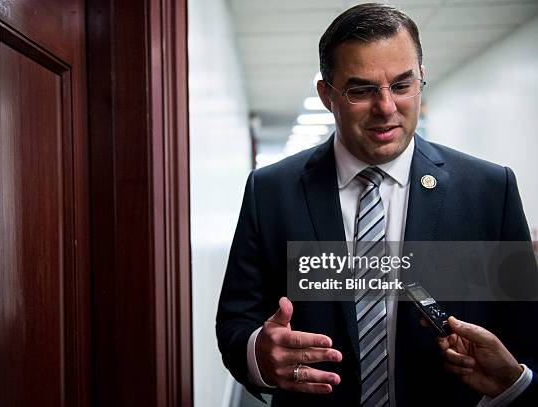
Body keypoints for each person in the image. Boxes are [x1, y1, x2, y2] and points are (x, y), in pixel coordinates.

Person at [216, 3, 538, 406]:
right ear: (326, 95)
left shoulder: (490, 190)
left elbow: (527, 340)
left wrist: (513, 383)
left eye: (402, 85)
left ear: (421, 78)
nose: (386, 107)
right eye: (361, 90)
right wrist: (260, 356)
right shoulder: (271, 191)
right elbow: (235, 321)